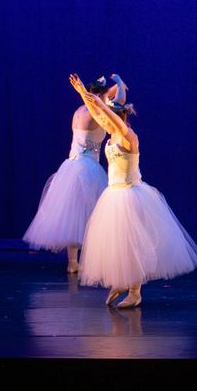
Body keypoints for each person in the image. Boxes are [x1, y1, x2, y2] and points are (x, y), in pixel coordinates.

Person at [70, 74, 197, 308]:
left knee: (133, 244)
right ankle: (123, 282)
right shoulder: (112, 134)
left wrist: (101, 102)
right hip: (113, 195)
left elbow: (114, 120)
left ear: (119, 116)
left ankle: (135, 292)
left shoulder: (129, 136)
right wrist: (83, 93)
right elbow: (100, 116)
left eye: (110, 116)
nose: (105, 120)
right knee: (119, 244)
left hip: (131, 196)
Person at [23, 74, 122, 272]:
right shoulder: (94, 114)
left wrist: (114, 86)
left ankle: (72, 262)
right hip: (87, 169)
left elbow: (110, 97)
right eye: (104, 97)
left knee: (73, 216)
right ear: (99, 97)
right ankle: (91, 260)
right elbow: (118, 102)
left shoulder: (79, 111)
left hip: (70, 165)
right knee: (92, 216)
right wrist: (119, 84)